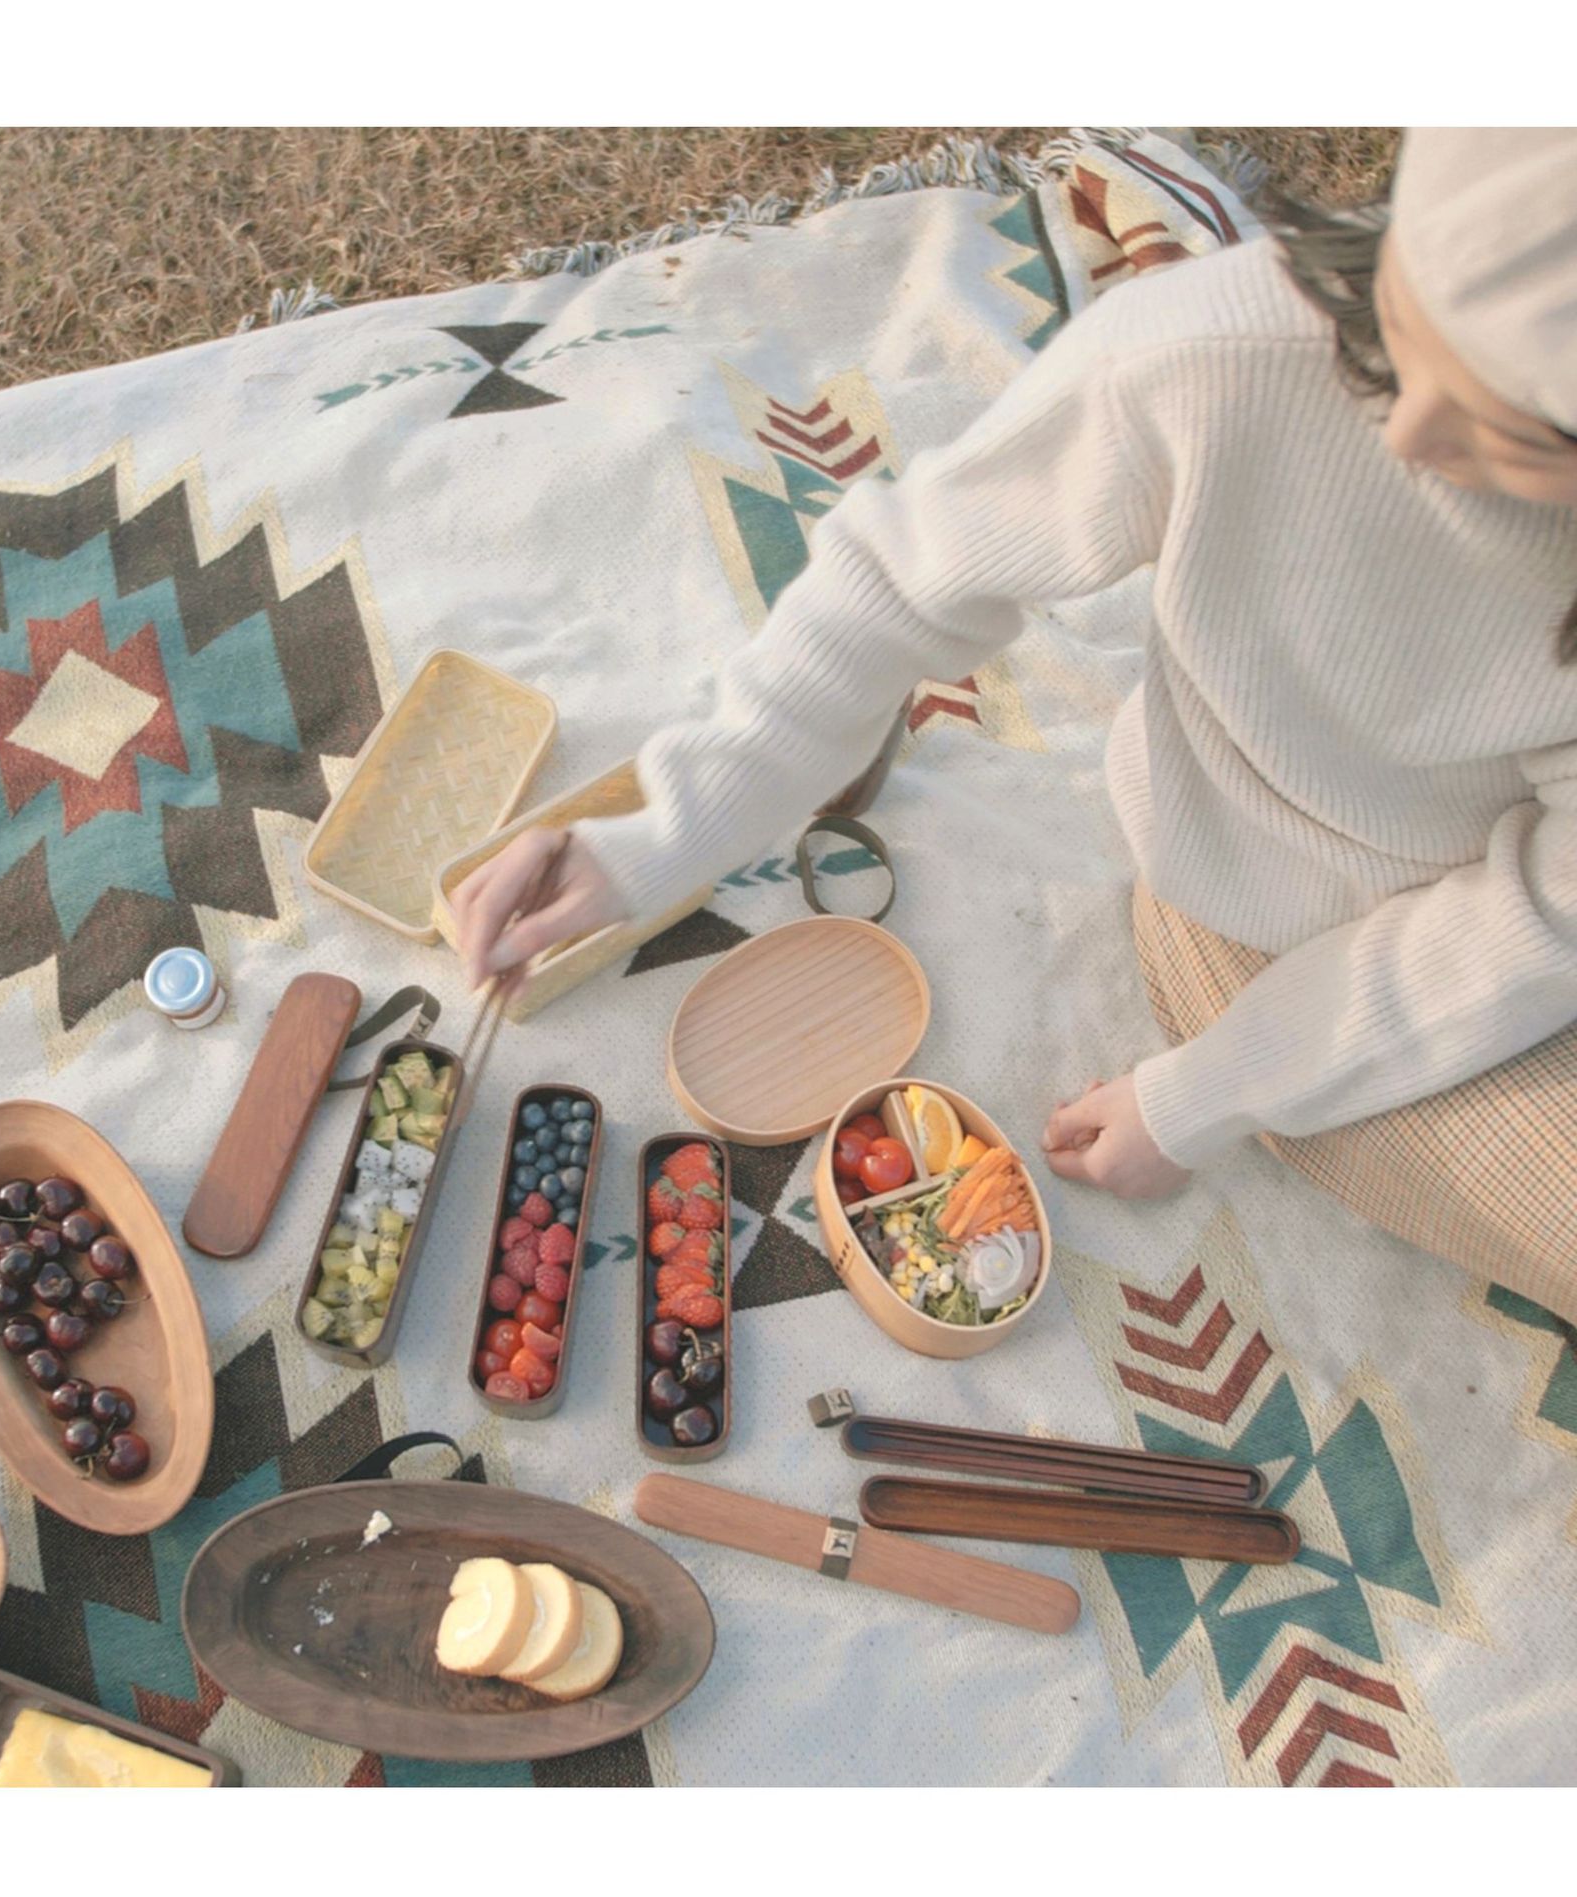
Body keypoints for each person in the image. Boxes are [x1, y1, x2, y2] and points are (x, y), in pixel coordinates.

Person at [452, 128, 1577, 1319]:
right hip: (1258, 921)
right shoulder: (1231, 350)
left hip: (1475, 958)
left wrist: (1203, 1096)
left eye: (1501, 427)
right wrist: (653, 839)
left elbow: (1534, 929)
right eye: (1397, 337)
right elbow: (902, 581)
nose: (1402, 439)